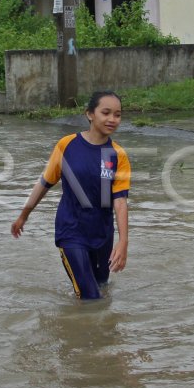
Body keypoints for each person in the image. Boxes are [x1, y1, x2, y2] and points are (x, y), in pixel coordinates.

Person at [11, 90, 131, 300]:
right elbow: (44, 183)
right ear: (90, 114)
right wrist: (24, 215)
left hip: (102, 235)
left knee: (102, 287)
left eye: (117, 114)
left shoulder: (117, 155)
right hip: (71, 231)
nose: (112, 119)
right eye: (106, 113)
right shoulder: (67, 145)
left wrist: (123, 242)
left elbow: (120, 201)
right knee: (91, 297)